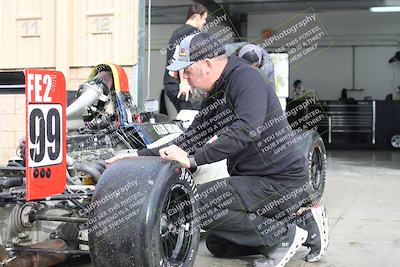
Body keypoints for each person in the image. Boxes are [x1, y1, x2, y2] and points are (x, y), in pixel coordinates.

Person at [107, 32, 329, 267]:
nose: (185, 78)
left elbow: (246, 130)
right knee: (218, 245)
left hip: (280, 181)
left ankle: (283, 237)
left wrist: (194, 161)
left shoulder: (247, 79)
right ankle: (301, 221)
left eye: (187, 71)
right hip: (256, 180)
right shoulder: (218, 91)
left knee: (196, 203)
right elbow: (192, 137)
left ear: (207, 64)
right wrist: (134, 157)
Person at [163, 3, 208, 112]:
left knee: (187, 118)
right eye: (204, 18)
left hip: (171, 83)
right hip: (181, 85)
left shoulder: (178, 32)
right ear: (197, 17)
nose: (205, 22)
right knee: (194, 117)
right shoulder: (192, 32)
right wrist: (184, 82)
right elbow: (183, 56)